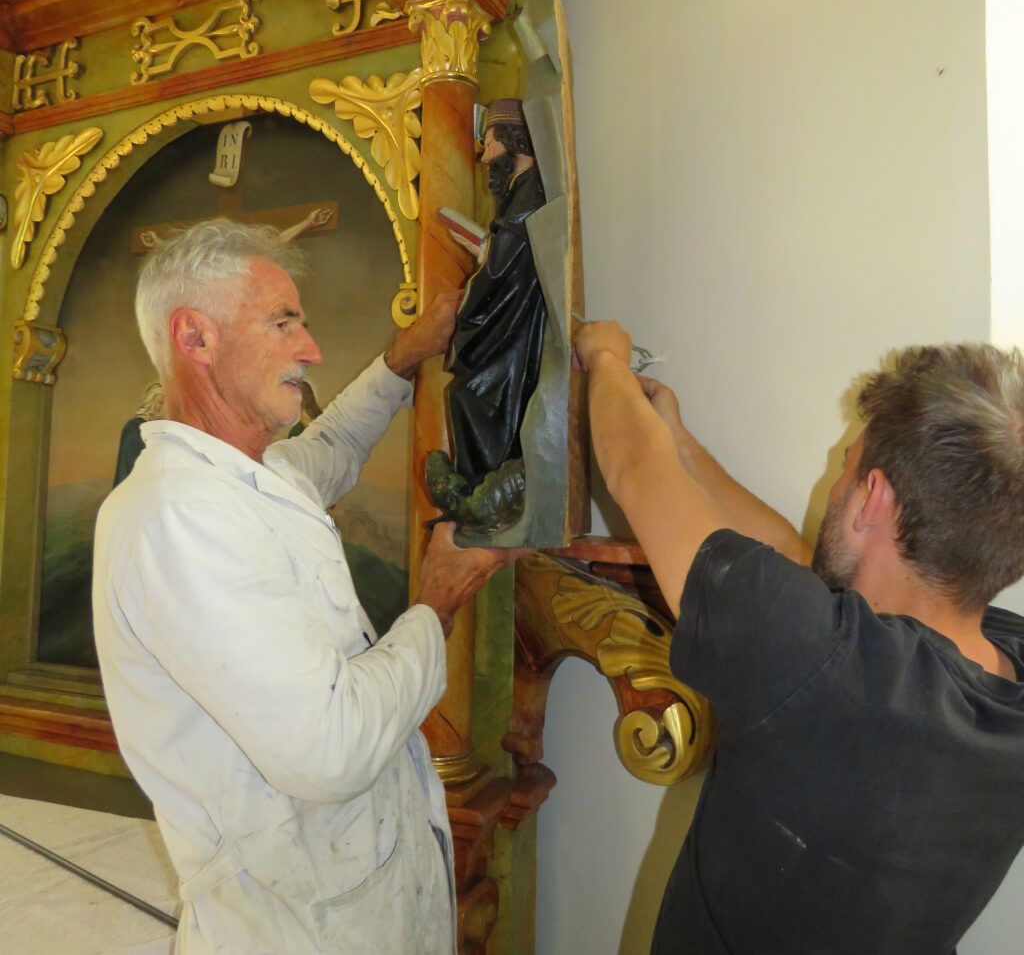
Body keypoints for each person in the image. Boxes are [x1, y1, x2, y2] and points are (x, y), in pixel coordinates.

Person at [93, 220, 511, 954]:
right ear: (195, 337)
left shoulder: (254, 476)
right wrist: (434, 604)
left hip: (345, 908)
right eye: (283, 322)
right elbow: (332, 748)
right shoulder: (179, 515)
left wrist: (405, 357)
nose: (311, 349)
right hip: (297, 930)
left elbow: (334, 445)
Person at [575, 322, 1024, 955]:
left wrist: (603, 356)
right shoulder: (997, 673)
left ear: (872, 500)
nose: (836, 487)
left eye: (847, 470)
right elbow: (794, 564)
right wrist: (680, 443)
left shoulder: (821, 664)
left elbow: (632, 468)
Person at [433, 99, 547, 504]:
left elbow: (501, 270)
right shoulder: (522, 190)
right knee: (464, 394)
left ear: (512, 140)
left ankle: (489, 489)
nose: (484, 156)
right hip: (509, 318)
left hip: (515, 324)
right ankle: (481, 487)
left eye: (490, 143)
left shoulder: (530, 193)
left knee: (470, 395)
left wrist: (473, 290)